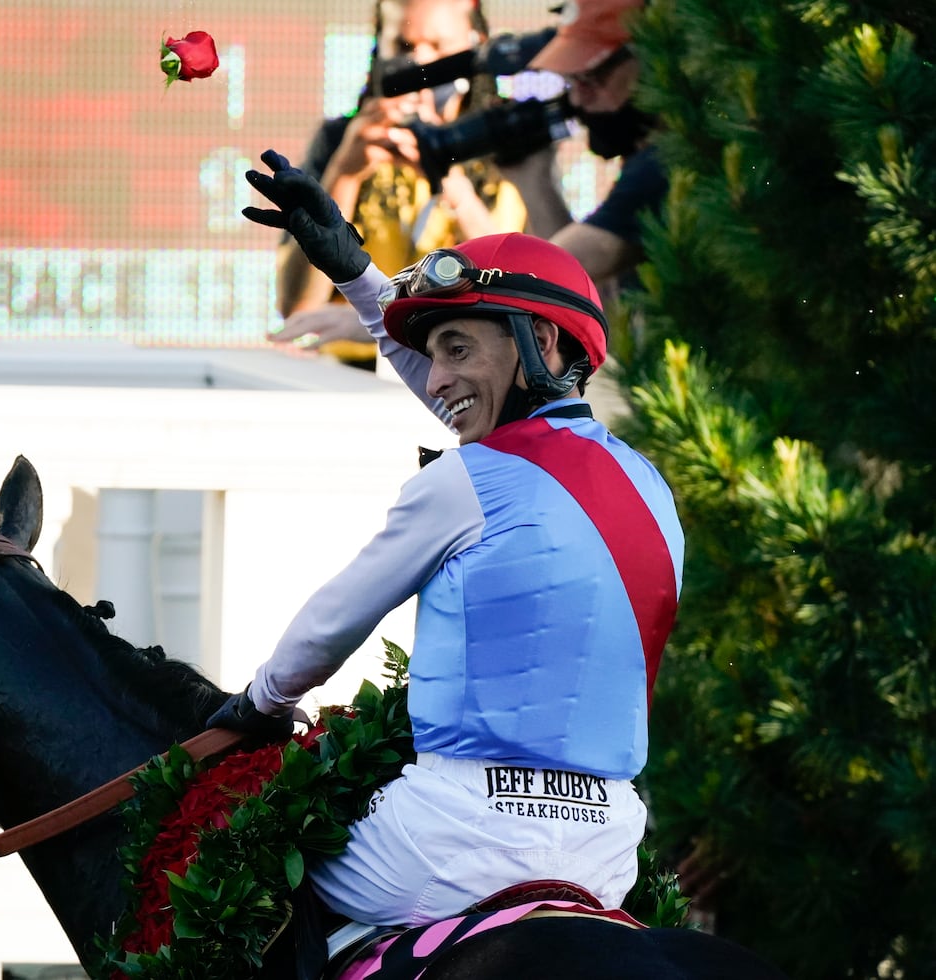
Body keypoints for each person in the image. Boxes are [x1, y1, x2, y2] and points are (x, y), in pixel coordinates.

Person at [209, 150, 684, 928]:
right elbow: (497, 425)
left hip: (450, 840)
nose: (434, 382)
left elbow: (332, 623)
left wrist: (262, 704)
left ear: (547, 347)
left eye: (455, 351)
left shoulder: (466, 482)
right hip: (607, 853)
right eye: (432, 359)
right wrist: (357, 271)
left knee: (244, 875)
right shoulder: (651, 484)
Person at [272, 0, 526, 365]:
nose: (420, 64)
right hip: (347, 374)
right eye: (403, 47)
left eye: (438, 47)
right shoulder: (340, 141)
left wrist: (444, 171)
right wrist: (344, 173)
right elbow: (297, 308)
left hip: (464, 375)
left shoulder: (506, 143)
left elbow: (517, 298)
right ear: (381, 47)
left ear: (476, 43)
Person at [500, 0, 663, 287]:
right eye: (571, 81)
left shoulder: (666, 164)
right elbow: (592, 306)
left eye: (590, 76)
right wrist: (533, 178)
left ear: (654, 63)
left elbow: (549, 273)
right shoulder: (646, 161)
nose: (576, 100)